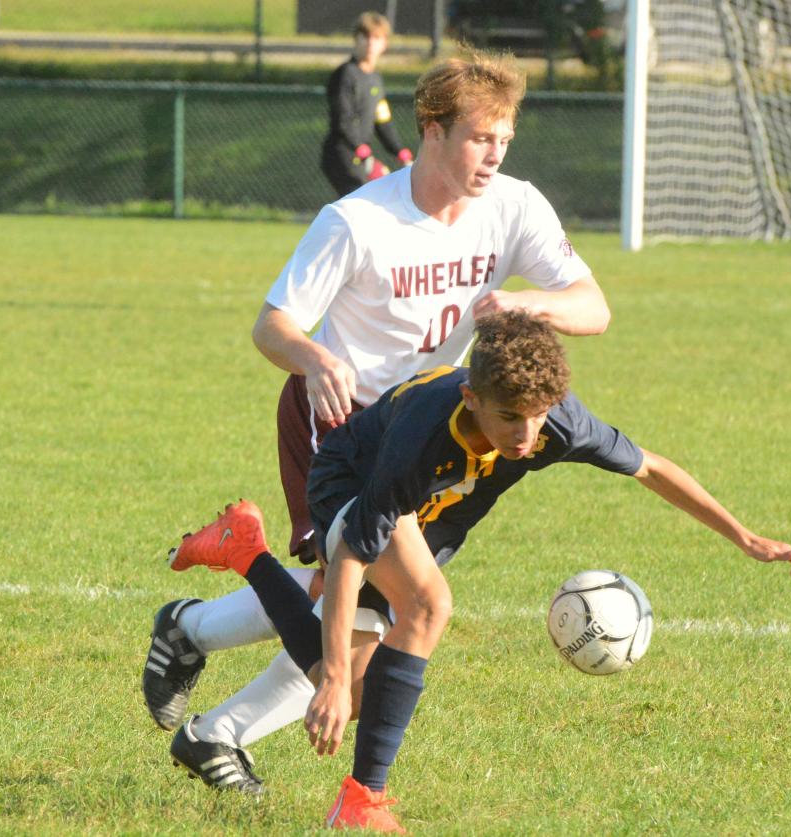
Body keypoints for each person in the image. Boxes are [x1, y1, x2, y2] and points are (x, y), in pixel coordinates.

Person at [167, 311, 791, 832]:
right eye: (509, 417)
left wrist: (747, 536)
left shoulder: (552, 420)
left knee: (357, 696)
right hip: (354, 478)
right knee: (425, 607)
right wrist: (333, 675)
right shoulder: (422, 437)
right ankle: (363, 798)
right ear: (473, 397)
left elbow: (651, 467)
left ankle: (242, 548)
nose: (526, 434)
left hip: (437, 514)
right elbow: (350, 560)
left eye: (538, 415)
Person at [142, 50, 611, 763]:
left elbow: (593, 307)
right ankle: (212, 691)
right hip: (335, 420)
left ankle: (201, 667)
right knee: (355, 617)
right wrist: (315, 355)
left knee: (358, 623)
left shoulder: (514, 207)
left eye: (505, 141)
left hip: (424, 432)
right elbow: (273, 324)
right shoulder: (358, 220)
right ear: (431, 129)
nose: (495, 156)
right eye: (481, 138)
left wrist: (528, 299)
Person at [321, 11, 413, 197]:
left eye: (377, 38)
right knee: (362, 202)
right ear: (356, 39)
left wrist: (399, 150)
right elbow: (343, 119)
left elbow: (382, 120)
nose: (371, 43)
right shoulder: (345, 74)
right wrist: (360, 148)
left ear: (384, 44)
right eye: (366, 36)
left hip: (360, 156)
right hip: (341, 155)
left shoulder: (375, 79)